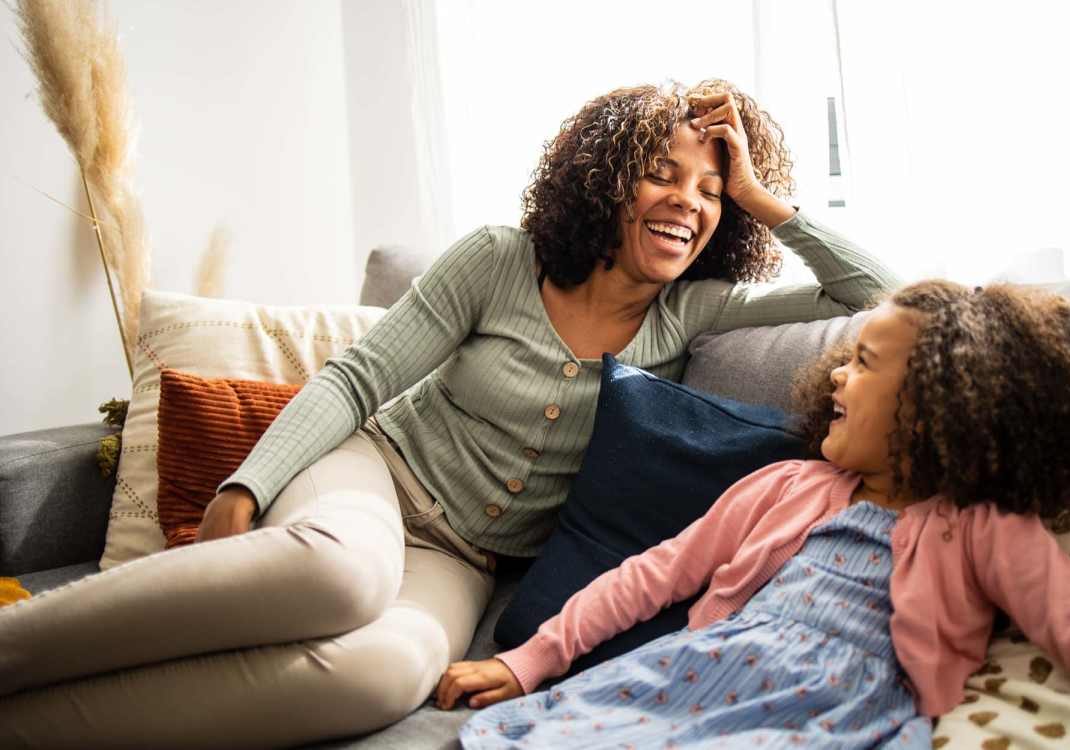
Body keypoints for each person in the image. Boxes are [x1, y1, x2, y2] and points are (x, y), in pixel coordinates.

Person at [0, 80, 900, 747]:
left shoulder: (690, 313)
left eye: (707, 191)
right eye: (661, 175)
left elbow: (882, 294)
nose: (686, 202)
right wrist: (250, 481)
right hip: (373, 473)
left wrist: (756, 194)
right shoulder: (501, 260)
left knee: (385, 675)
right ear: (607, 180)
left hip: (464, 556)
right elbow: (359, 379)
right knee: (339, 580)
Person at [440, 281, 1070, 749]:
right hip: (701, 674)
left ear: (938, 403)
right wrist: (529, 659)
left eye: (864, 363)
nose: (837, 372)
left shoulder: (978, 525)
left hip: (845, 715)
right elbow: (653, 576)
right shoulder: (786, 486)